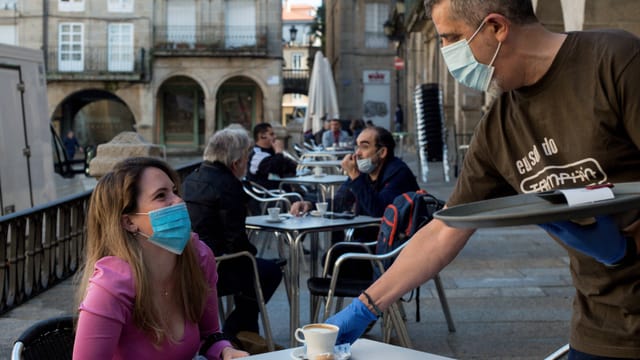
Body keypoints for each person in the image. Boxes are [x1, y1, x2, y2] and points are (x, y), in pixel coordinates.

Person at [326, 1, 640, 359]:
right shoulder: (498, 128)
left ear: (496, 27)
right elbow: (445, 230)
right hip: (599, 327)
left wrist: (628, 246)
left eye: (451, 37)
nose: (446, 53)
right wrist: (365, 307)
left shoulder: (615, 60)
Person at [73, 157, 248, 360]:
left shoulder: (199, 257)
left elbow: (210, 336)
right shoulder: (112, 287)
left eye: (174, 191)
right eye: (161, 196)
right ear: (129, 221)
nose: (179, 201)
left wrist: (226, 351)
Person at [182, 127, 283, 353]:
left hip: (191, 262)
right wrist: (251, 252)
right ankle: (232, 332)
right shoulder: (229, 185)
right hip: (215, 267)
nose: (247, 163)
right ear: (236, 162)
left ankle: (246, 336)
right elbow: (235, 241)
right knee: (270, 271)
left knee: (255, 269)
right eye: (247, 157)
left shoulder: (192, 177)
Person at [247, 122, 298, 190]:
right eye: (271, 134)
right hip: (270, 196)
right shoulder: (257, 155)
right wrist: (279, 152)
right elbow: (275, 168)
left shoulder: (272, 151)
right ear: (262, 136)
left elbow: (291, 166)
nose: (275, 137)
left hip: (282, 191)